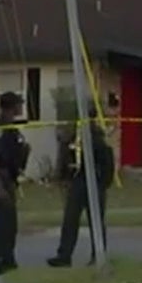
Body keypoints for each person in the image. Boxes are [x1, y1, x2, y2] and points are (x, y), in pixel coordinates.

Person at [48, 114, 115, 267]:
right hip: (77, 182)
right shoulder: (73, 137)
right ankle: (64, 256)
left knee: (96, 221)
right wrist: (63, 177)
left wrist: (103, 183)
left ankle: (98, 255)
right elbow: (66, 157)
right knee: (70, 219)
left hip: (94, 182)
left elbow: (108, 161)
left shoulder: (98, 138)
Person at [0, 91, 30, 279]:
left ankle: (0, 261)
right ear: (11, 106)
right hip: (0, 181)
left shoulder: (12, 128)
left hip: (10, 179)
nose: (21, 107)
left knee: (7, 224)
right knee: (1, 224)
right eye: (19, 104)